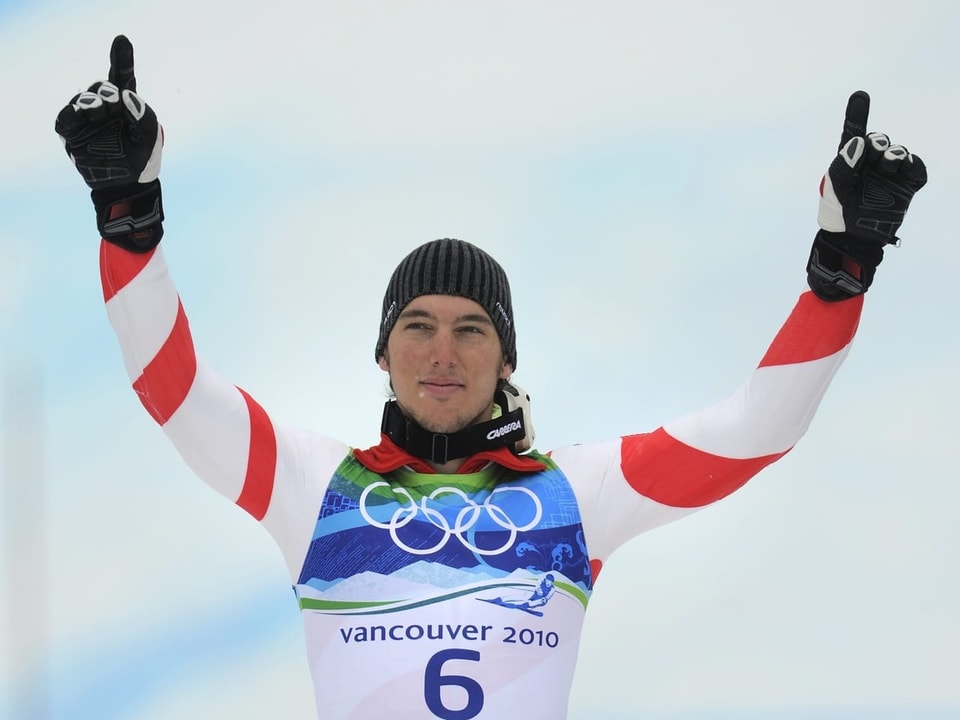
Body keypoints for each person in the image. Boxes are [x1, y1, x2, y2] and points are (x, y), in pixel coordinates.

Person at [55, 35, 926, 720]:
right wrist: (129, 218)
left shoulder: (574, 494)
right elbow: (174, 390)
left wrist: (841, 266)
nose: (444, 353)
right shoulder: (315, 485)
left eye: (473, 331)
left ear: (507, 360)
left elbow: (756, 428)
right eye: (418, 328)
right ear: (383, 352)